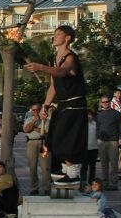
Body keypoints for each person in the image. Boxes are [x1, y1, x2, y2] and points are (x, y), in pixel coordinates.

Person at [25, 25, 87, 185]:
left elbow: (62, 72)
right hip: (62, 105)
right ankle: (66, 170)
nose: (55, 36)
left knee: (67, 140)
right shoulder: (55, 58)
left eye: (58, 34)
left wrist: (40, 67)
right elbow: (53, 85)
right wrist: (45, 106)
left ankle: (74, 173)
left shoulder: (70, 57)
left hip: (75, 105)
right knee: (53, 139)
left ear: (67, 38)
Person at [96, 95, 121, 191]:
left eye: (107, 101)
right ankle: (105, 183)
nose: (105, 103)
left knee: (114, 163)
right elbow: (97, 127)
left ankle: (114, 183)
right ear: (100, 103)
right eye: (103, 102)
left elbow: (120, 127)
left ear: (110, 102)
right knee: (103, 164)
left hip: (113, 140)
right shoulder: (98, 114)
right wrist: (97, 138)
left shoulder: (116, 113)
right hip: (101, 141)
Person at [23, 103, 51, 196]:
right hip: (32, 142)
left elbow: (45, 132)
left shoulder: (46, 120)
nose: (36, 112)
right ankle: (34, 188)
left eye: (38, 109)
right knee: (32, 167)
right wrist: (34, 122)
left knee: (45, 167)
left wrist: (33, 128)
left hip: (43, 143)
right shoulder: (28, 119)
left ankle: (47, 188)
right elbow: (26, 130)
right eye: (33, 110)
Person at [81, 109, 98, 187]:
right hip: (84, 149)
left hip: (94, 148)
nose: (88, 116)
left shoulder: (95, 124)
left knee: (92, 166)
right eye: (87, 115)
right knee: (84, 166)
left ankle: (91, 181)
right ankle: (83, 182)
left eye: (90, 115)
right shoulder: (82, 125)